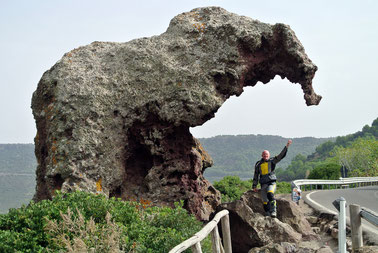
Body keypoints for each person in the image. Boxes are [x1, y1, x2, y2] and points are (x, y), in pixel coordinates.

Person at [252, 140, 292, 217]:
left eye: (266, 154)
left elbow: (281, 156)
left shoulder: (272, 161)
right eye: (264, 154)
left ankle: (274, 211)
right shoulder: (258, 164)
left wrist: (286, 146)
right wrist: (254, 186)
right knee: (264, 201)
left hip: (271, 182)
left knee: (270, 194)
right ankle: (267, 214)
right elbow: (256, 175)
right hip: (263, 184)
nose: (265, 156)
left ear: (269, 155)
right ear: (261, 155)